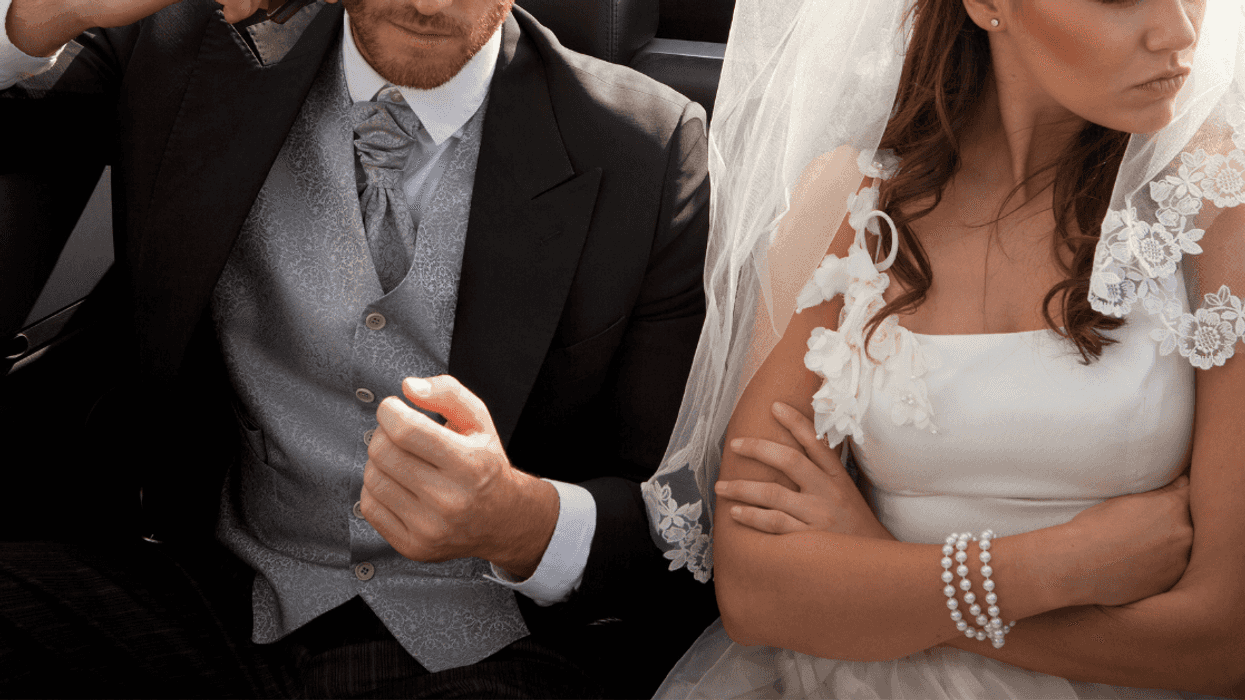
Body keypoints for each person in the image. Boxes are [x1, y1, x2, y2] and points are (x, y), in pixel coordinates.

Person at [0, 0, 717, 696]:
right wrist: (43, 12)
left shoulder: (644, 148)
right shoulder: (186, 45)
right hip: (206, 590)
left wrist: (521, 518)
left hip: (483, 647)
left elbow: (673, 513)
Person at [642, 0, 1245, 696]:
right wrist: (1047, 567)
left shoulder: (1214, 202)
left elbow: (1222, 641)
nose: (1178, 33)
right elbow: (753, 592)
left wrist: (882, 571)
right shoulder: (855, 201)